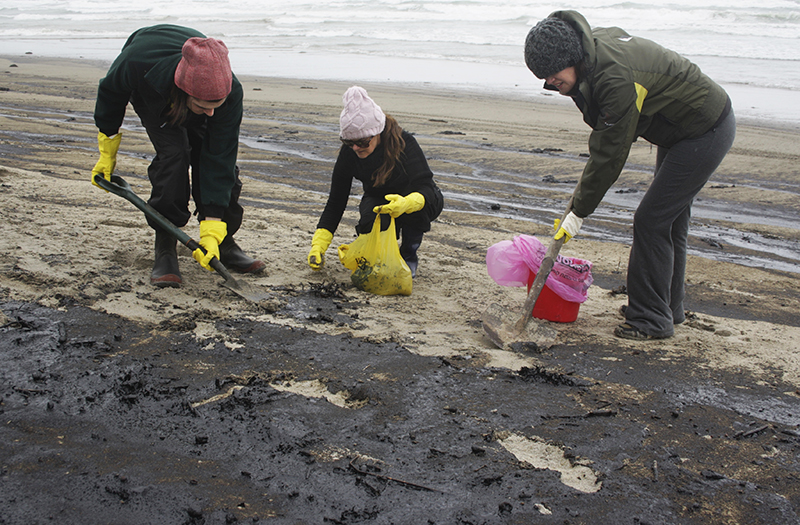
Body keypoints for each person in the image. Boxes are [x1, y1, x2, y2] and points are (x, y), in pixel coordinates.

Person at [524, 11, 735, 340]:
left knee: (652, 219)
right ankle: (666, 306)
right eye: (544, 77)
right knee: (670, 220)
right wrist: (576, 208)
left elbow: (610, 153)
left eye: (552, 74)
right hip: (682, 131)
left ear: (572, 58)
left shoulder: (615, 78)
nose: (550, 82)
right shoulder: (591, 57)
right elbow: (605, 140)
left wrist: (578, 212)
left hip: (704, 130)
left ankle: (650, 319)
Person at [92, 24, 265, 288]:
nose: (210, 114)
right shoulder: (137, 63)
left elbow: (219, 155)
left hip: (192, 93)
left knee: (217, 161)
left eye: (214, 108)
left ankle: (224, 243)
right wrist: (107, 152)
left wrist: (212, 226)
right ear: (183, 91)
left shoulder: (230, 91)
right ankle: (165, 245)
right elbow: (111, 95)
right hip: (155, 92)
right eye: (203, 107)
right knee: (174, 156)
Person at [307, 86, 444, 278]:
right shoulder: (350, 153)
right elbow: (336, 202)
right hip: (379, 199)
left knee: (414, 212)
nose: (356, 147)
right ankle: (385, 255)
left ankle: (408, 255)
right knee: (370, 218)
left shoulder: (405, 143)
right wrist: (319, 245)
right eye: (349, 142)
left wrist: (406, 203)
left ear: (377, 132)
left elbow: (427, 188)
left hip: (417, 199)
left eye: (362, 142)